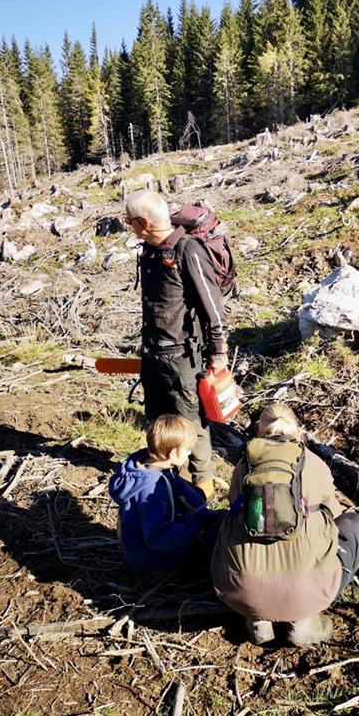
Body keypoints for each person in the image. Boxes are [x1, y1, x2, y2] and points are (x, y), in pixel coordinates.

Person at [211, 404, 359, 646]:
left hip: (241, 589)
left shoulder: (244, 466)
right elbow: (336, 516)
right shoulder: (315, 463)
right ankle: (305, 620)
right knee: (355, 524)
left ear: (260, 431)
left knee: (223, 525)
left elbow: (234, 508)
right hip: (309, 592)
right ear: (297, 433)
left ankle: (256, 620)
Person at [125, 189, 230, 500]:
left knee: (191, 421)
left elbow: (213, 307)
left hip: (182, 355)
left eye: (128, 221)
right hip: (153, 351)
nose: (128, 226)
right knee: (157, 415)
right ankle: (164, 475)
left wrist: (219, 354)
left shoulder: (188, 251)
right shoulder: (150, 251)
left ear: (143, 222)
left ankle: (203, 484)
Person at [109, 413, 220, 573]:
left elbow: (182, 488)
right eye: (188, 450)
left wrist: (203, 511)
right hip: (152, 557)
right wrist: (195, 524)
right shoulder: (150, 490)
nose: (190, 454)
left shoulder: (151, 466)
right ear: (173, 454)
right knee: (207, 556)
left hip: (141, 545)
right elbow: (157, 537)